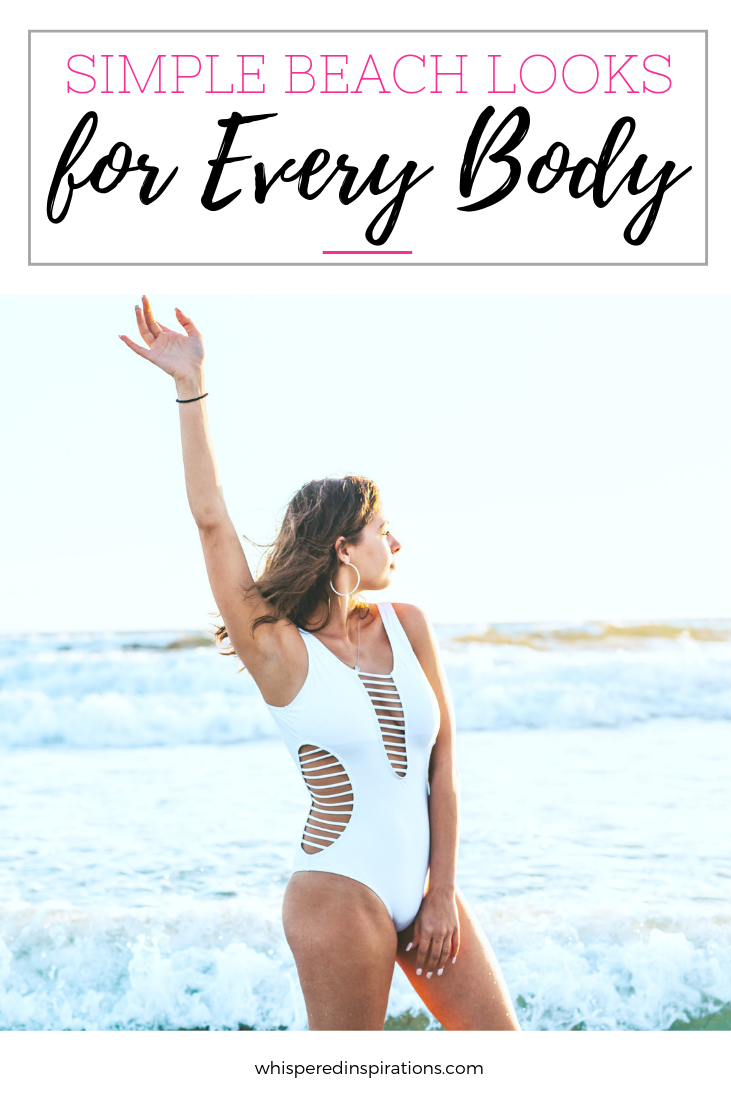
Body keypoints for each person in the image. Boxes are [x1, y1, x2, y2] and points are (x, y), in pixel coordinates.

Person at [120, 297, 521, 1032]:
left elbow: (443, 766)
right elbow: (211, 519)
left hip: (426, 890)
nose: (394, 544)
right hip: (339, 890)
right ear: (343, 547)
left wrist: (442, 891)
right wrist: (190, 385)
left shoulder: (409, 626)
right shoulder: (276, 646)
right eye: (381, 531)